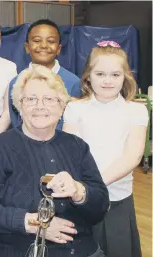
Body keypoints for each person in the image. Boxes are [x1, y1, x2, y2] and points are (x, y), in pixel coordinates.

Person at [0, 65, 109, 257]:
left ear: (61, 106)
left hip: (81, 250)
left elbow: (100, 207)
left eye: (50, 99)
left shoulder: (77, 147)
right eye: (31, 99)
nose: (40, 106)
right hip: (17, 250)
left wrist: (79, 191)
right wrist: (34, 224)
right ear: (19, 105)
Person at [63, 41, 147, 257]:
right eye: (100, 74)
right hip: (81, 199)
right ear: (88, 76)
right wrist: (85, 190)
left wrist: (93, 184)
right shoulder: (75, 108)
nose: (107, 81)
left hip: (117, 199)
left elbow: (133, 156)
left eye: (115, 75)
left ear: (125, 77)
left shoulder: (136, 111)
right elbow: (71, 152)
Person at [0, 19, 81, 133]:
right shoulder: (16, 83)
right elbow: (15, 121)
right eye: (37, 40)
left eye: (51, 41)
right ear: (27, 47)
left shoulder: (74, 83)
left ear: (59, 49)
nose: (44, 45)